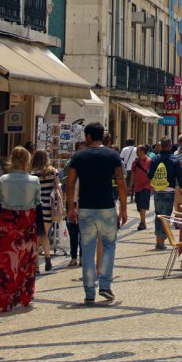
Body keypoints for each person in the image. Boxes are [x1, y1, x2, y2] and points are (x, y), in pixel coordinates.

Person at [67, 122, 127, 305]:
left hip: (85, 208)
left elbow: (70, 183)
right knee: (109, 245)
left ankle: (89, 291)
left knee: (87, 249)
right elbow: (121, 181)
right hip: (107, 207)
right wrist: (123, 208)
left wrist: (71, 207)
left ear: (89, 137)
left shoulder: (78, 156)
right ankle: (106, 285)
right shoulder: (112, 155)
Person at [0, 146, 40, 312]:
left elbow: (0, 202)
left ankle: (3, 296)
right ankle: (22, 295)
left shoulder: (4, 179)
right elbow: (37, 204)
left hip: (7, 223)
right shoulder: (34, 180)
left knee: (4, 263)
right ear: (27, 161)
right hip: (26, 223)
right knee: (25, 261)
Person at [147, 137, 182, 251]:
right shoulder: (174, 159)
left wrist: (155, 183)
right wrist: (181, 187)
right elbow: (179, 175)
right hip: (169, 191)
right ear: (169, 145)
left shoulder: (155, 159)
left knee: (158, 215)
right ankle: (161, 242)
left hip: (157, 191)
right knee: (166, 216)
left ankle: (158, 240)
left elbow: (149, 175)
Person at [30, 150, 61, 273]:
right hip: (49, 207)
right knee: (45, 234)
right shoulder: (53, 171)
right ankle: (48, 257)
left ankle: (36, 266)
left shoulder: (31, 173)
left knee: (36, 237)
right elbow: (58, 188)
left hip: (36, 207)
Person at [129, 145, 152, 230]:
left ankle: (142, 222)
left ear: (142, 151)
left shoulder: (150, 161)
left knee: (143, 204)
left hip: (146, 186)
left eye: (138, 150)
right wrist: (130, 186)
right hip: (138, 186)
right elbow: (133, 174)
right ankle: (143, 220)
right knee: (139, 205)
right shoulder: (135, 162)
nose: (136, 152)